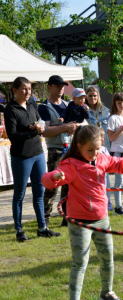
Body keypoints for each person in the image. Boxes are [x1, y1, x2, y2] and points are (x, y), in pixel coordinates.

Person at [41, 125, 123, 300]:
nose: (94, 153)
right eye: (90, 150)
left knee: (107, 258)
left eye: (98, 149)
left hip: (102, 218)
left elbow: (116, 163)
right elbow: (47, 180)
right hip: (80, 222)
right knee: (80, 263)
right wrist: (55, 177)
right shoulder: (71, 166)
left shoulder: (101, 158)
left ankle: (106, 292)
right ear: (79, 146)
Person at [4, 77, 57, 241]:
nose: (27, 92)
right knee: (19, 194)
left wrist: (40, 126)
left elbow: (39, 121)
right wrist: (34, 131)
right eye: (24, 89)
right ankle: (19, 230)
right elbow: (12, 136)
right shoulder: (10, 109)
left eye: (29, 88)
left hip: (38, 153)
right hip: (22, 157)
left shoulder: (32, 104)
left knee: (39, 192)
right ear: (14, 90)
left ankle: (42, 228)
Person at [38, 75, 86, 228]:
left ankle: (68, 218)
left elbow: (84, 121)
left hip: (71, 149)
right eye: (57, 86)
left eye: (62, 86)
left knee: (70, 186)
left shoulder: (69, 104)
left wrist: (75, 127)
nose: (61, 88)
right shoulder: (44, 107)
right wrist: (65, 127)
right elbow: (44, 131)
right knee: (53, 185)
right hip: (56, 150)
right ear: (50, 87)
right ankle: (45, 221)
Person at [86, 86, 113, 210]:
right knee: (91, 176)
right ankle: (94, 203)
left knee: (105, 175)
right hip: (90, 149)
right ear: (86, 96)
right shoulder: (84, 111)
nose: (93, 98)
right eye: (90, 95)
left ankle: (108, 202)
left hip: (104, 147)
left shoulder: (106, 111)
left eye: (95, 95)